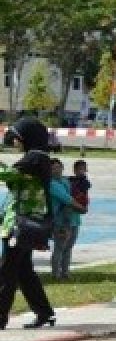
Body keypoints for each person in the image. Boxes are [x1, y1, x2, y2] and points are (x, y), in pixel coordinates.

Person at [0, 118, 57, 329]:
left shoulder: (34, 159)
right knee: (24, 272)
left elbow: (7, 175)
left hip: (20, 225)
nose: (14, 142)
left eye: (16, 137)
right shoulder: (37, 159)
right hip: (25, 223)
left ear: (26, 137)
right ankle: (44, 313)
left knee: (6, 272)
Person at [48, 158, 83, 281]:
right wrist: (81, 208)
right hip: (61, 221)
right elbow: (66, 198)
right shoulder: (51, 184)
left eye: (58, 167)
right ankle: (55, 273)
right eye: (53, 168)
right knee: (60, 247)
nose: (56, 170)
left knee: (69, 247)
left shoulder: (66, 181)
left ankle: (66, 272)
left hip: (74, 219)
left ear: (62, 168)